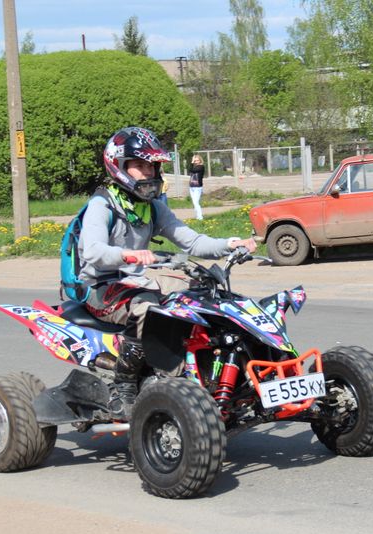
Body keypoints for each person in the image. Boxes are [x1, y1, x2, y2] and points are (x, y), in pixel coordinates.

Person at [78, 127, 256, 417]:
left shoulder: (152, 207)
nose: (148, 172)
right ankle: (124, 385)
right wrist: (127, 254)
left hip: (134, 281)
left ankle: (199, 371)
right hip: (100, 286)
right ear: (119, 166)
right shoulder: (102, 204)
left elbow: (192, 241)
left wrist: (230, 244)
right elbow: (93, 251)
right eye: (140, 165)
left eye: (152, 166)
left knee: (201, 295)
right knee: (147, 307)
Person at [187, 154, 205, 220]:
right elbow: (190, 170)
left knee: (196, 202)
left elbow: (192, 170)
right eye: (195, 161)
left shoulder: (201, 167)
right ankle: (197, 216)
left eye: (197, 160)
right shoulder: (194, 167)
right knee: (194, 203)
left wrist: (192, 162)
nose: (196, 162)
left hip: (197, 187)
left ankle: (200, 217)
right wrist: (192, 163)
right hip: (192, 186)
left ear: (200, 161)